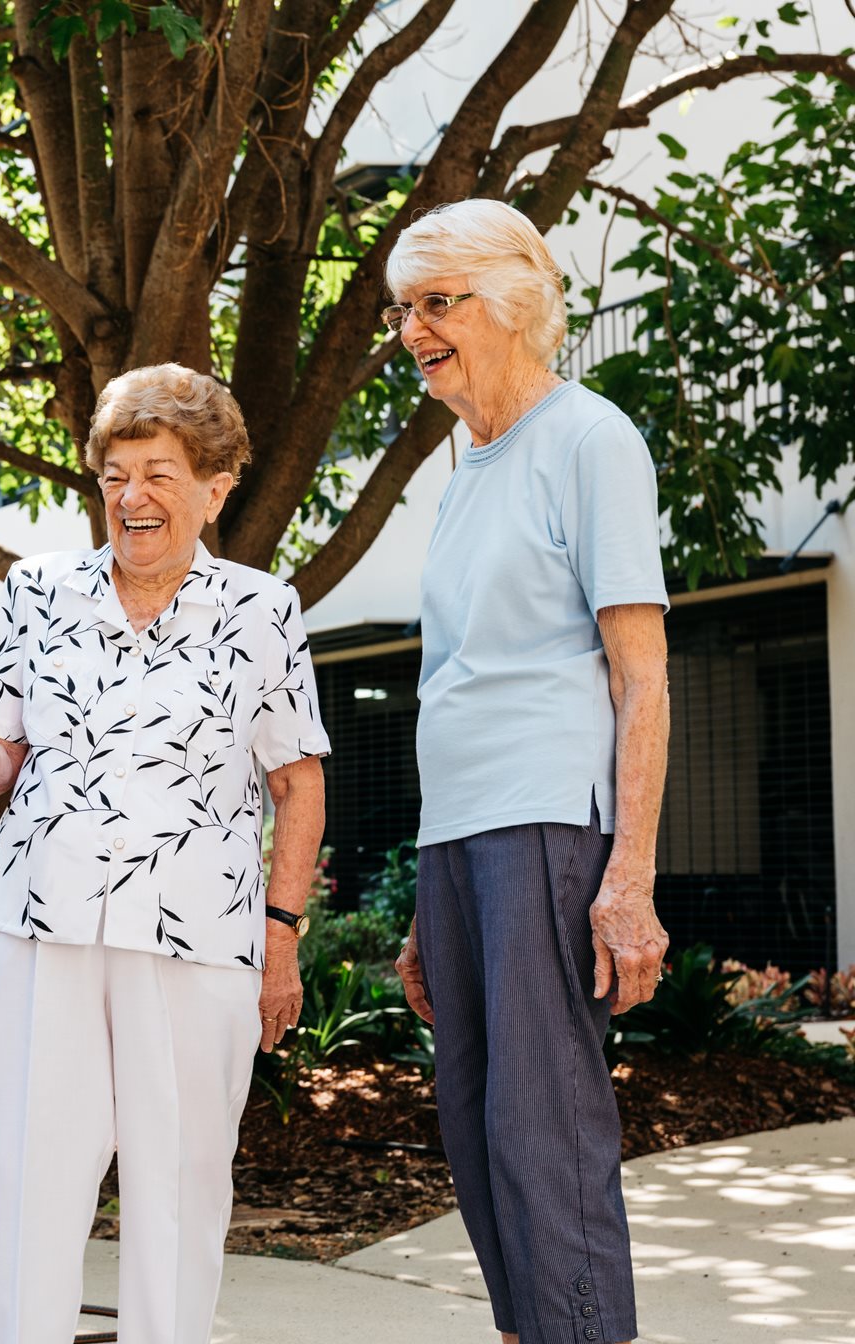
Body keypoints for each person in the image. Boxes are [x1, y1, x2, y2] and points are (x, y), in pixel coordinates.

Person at [0, 364, 330, 1344]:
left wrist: (281, 941)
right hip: (39, 928)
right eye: (114, 474)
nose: (132, 497)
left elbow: (298, 782)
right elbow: (2, 759)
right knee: (25, 1176)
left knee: (182, 1186)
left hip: (197, 942)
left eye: (158, 473)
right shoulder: (36, 591)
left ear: (215, 486)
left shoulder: (261, 611)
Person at [387, 199, 671, 1344]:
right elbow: (452, 683)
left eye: (436, 303)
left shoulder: (588, 438)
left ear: (513, 301)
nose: (412, 330)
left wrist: (632, 876)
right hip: (461, 833)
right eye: (401, 309)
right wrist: (424, 899)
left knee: (540, 1123)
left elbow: (641, 676)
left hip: (549, 818)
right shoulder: (467, 469)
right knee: (472, 1117)